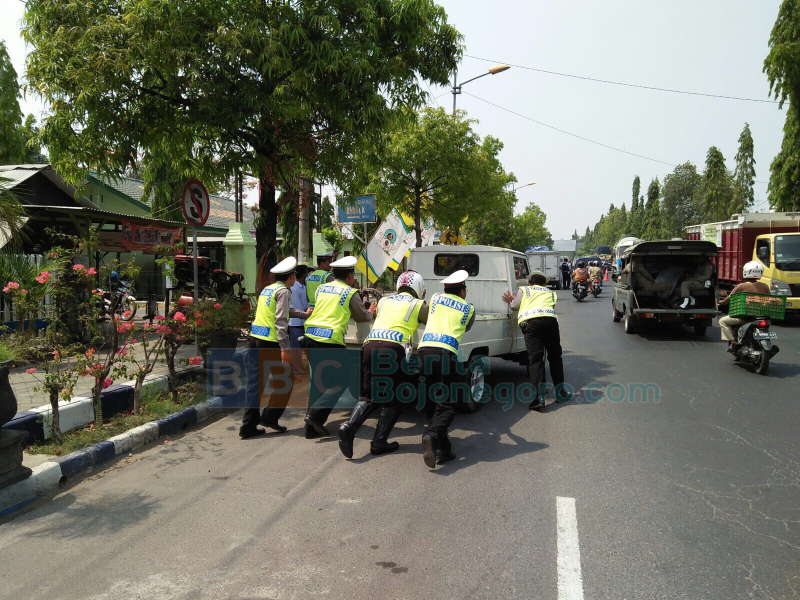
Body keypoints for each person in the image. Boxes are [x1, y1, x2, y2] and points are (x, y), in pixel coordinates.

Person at [338, 270, 429, 459]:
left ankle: (349, 427)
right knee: (395, 399)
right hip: (392, 349)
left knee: (368, 395)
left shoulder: (384, 301)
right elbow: (430, 321)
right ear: (419, 288)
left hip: (369, 346)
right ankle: (379, 441)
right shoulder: (418, 304)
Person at [302, 256, 376, 438]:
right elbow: (360, 316)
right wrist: (371, 312)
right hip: (329, 340)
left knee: (318, 382)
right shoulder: (350, 292)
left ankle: (311, 428)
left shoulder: (321, 288)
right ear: (350, 276)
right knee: (341, 380)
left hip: (310, 336)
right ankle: (315, 417)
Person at [240, 256, 312, 439]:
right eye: (294, 276)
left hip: (255, 338)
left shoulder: (269, 289)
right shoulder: (284, 291)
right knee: (286, 379)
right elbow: (280, 320)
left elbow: (283, 310)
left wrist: (303, 315)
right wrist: (285, 348)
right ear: (291, 277)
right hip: (270, 343)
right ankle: (270, 418)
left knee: (255, 384)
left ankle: (248, 426)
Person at [418, 269, 476, 469]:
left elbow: (426, 316)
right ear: (462, 291)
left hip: (424, 351)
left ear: (444, 288)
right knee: (449, 402)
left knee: (431, 399)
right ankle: (432, 435)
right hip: (445, 354)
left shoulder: (435, 298)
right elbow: (466, 327)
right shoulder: (469, 309)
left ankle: (443, 449)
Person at [503, 271, 570, 412]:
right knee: (555, 357)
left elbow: (514, 306)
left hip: (531, 324)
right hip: (550, 322)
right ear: (544, 284)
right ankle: (561, 393)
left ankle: (539, 399)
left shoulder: (524, 289)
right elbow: (549, 307)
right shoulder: (550, 292)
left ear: (530, 282)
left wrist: (510, 300)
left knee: (536, 360)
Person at [718, 261, 770, 352]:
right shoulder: (765, 286)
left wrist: (721, 302)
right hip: (762, 316)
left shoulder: (741, 286)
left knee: (722, 321)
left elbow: (729, 298)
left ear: (746, 272)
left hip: (744, 317)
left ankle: (732, 342)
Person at [288, 265, 310, 348]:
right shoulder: (298, 287)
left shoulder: (298, 286)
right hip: (297, 324)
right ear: (304, 274)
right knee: (297, 349)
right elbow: (304, 306)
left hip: (296, 323)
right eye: (307, 273)